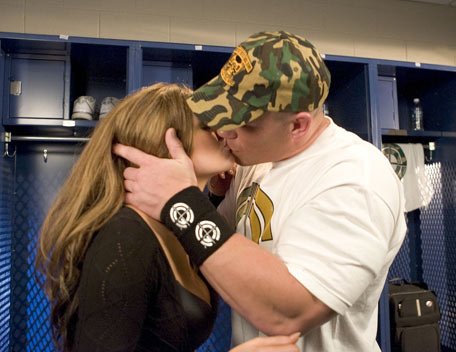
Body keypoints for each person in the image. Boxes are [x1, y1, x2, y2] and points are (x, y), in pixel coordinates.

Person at [113, 31, 407, 351]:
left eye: (245, 123)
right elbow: (217, 247)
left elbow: (288, 312)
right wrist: (209, 194)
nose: (224, 131)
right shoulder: (257, 162)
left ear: (298, 125)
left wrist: (181, 202)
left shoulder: (355, 179)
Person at [35, 83, 300, 352]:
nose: (223, 133)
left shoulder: (174, 226)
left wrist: (214, 198)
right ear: (167, 142)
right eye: (208, 128)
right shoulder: (126, 238)